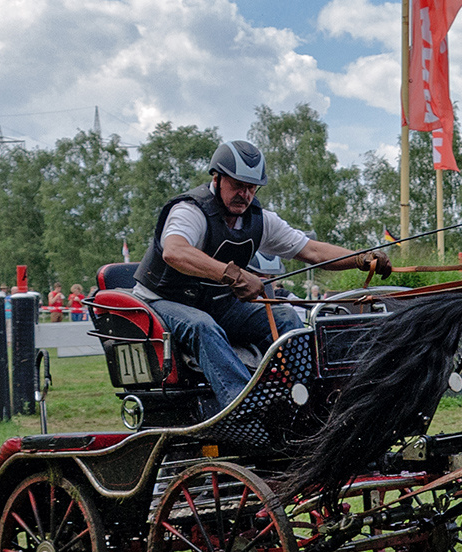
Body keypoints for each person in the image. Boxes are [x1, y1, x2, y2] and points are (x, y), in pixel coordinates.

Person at [135, 139, 390, 413]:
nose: (245, 195)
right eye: (238, 185)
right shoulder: (190, 211)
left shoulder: (260, 220)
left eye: (251, 187)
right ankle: (245, 409)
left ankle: (303, 401)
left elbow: (313, 251)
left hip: (214, 302)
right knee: (202, 326)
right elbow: (174, 251)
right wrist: (233, 275)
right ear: (217, 178)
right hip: (163, 301)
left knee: (285, 317)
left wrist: (361, 258)